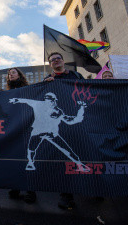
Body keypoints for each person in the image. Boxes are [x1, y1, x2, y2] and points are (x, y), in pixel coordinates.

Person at [44, 52, 84, 210]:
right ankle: (66, 195)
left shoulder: (76, 75)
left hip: (79, 122)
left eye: (57, 59)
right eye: (52, 60)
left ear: (63, 61)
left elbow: (89, 91)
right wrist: (46, 84)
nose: (55, 61)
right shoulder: (48, 79)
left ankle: (93, 187)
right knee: (64, 158)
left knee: (84, 153)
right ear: (50, 65)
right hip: (60, 124)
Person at [5, 68, 37, 204]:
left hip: (26, 127)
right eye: (9, 74)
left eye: (13, 72)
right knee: (14, 158)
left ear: (19, 75)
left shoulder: (29, 89)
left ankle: (30, 190)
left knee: (28, 158)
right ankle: (16, 186)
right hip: (13, 128)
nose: (10, 74)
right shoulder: (7, 92)